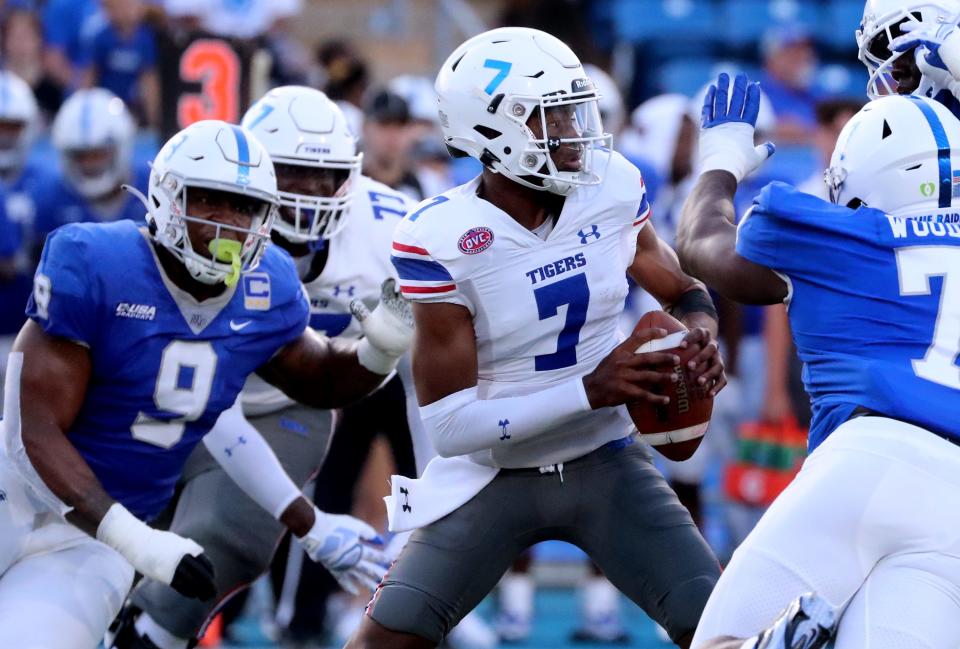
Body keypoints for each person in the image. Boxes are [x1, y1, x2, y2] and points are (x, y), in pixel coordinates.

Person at [344, 26, 726, 649]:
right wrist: (590, 389)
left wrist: (700, 336)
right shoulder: (442, 239)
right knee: (381, 643)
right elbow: (449, 427)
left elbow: (683, 291)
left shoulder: (611, 186)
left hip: (608, 461)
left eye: (577, 113)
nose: (578, 134)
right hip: (494, 474)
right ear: (494, 131)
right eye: (555, 118)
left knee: (723, 627)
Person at [0, 118, 412, 649]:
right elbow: (35, 432)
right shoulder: (97, 261)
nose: (229, 223)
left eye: (246, 207)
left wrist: (377, 351)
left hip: (84, 548)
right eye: (210, 200)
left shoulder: (269, 286)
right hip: (19, 499)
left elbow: (323, 382)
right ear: (169, 198)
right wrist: (139, 542)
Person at [108, 85, 416, 649]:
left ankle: (153, 634)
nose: (311, 196)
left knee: (227, 540)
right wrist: (310, 522)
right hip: (172, 394)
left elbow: (414, 368)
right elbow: (206, 391)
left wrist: (385, 356)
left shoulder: (394, 228)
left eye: (325, 179)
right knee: (107, 549)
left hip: (289, 406)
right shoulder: (206, 225)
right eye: (294, 176)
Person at [675, 72, 960, 648]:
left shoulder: (839, 235)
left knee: (720, 641)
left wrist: (721, 162)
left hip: (867, 456)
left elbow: (701, 243)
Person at [39, 88, 147, 242]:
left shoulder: (152, 189)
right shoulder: (49, 198)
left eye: (99, 154)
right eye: (80, 156)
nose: (89, 164)